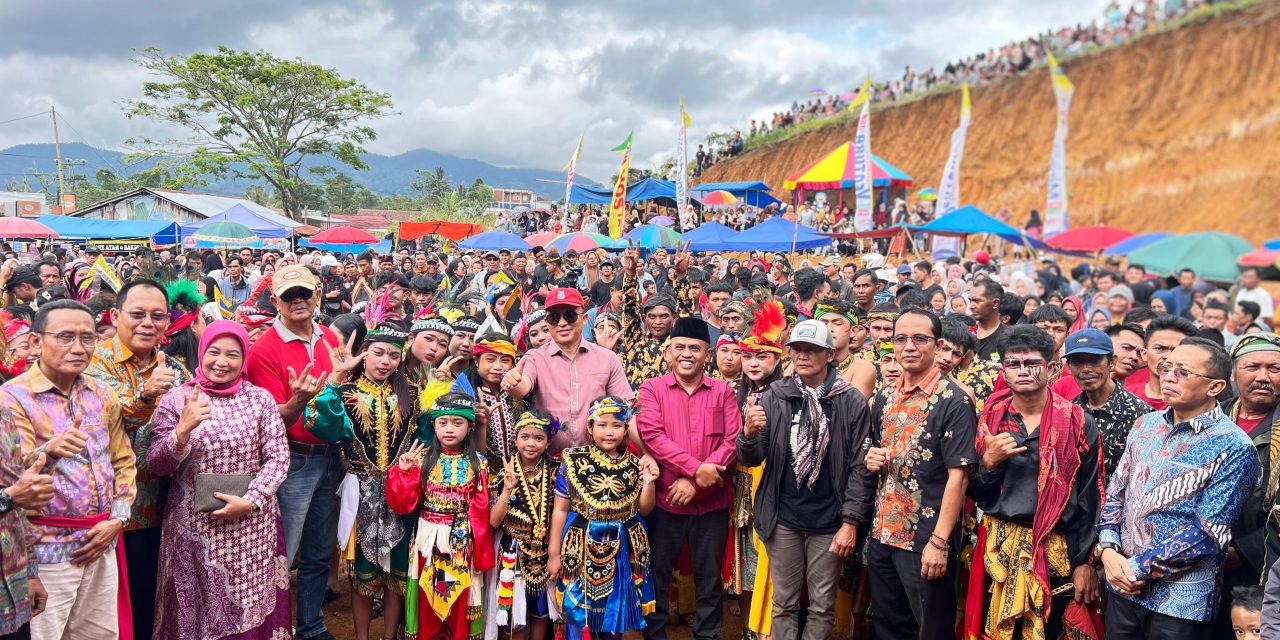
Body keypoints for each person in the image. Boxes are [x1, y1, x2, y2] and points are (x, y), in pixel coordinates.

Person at [1098, 338, 1258, 639]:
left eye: (1183, 371)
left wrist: (1135, 568)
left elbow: (1209, 532)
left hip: (1180, 601)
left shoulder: (1235, 445)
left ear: (1215, 387)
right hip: (1121, 585)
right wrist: (1108, 549)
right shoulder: (1145, 424)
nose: (1168, 376)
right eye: (1167, 367)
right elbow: (1116, 491)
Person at [148, 320, 292, 640]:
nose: (222, 362)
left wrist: (251, 501)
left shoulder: (260, 400)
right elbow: (157, 464)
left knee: (248, 604)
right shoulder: (177, 399)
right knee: (193, 608)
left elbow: (278, 458)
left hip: (251, 527)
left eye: (233, 354)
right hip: (194, 531)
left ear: (244, 360)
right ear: (201, 353)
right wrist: (182, 431)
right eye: (214, 352)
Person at [2, 300, 137, 640]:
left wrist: (118, 519)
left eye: (88, 338)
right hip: (45, 551)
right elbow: (15, 481)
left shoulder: (100, 393)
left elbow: (123, 459)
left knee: (99, 634)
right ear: (35, 342)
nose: (79, 348)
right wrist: (49, 453)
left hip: (100, 540)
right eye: (65, 337)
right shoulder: (12, 399)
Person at [965, 325, 1101, 640]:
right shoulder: (992, 418)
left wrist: (1085, 563)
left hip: (1057, 552)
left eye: (1032, 364)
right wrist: (989, 462)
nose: (1023, 371)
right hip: (998, 550)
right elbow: (974, 493)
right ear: (1004, 370)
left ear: (1051, 368)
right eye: (1014, 364)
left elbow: (1091, 495)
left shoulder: (1078, 422)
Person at [738, 319, 871, 640]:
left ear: (829, 354)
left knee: (822, 605)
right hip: (783, 517)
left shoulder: (850, 400)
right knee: (783, 601)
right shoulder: (776, 396)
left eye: (812, 350)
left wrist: (851, 522)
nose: (803, 356)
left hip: (830, 521)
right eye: (797, 349)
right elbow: (752, 457)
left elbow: (860, 467)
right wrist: (749, 434)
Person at [861, 309, 978, 640]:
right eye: (901, 339)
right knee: (890, 627)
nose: (909, 346)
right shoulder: (884, 396)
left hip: (925, 539)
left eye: (920, 339)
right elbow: (875, 455)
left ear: (938, 346)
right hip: (883, 532)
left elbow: (960, 476)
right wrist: (871, 457)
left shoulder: (953, 400)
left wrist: (939, 543)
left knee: (933, 629)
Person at [84, 279, 189, 638]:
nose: (148, 323)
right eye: (138, 314)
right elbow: (103, 423)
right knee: (109, 612)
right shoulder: (93, 363)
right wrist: (145, 397)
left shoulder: (175, 368)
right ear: (115, 316)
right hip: (115, 514)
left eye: (157, 316)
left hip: (167, 508)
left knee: (153, 604)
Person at [245, 264, 342, 640]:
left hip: (331, 457)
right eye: (289, 295)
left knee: (319, 550)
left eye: (303, 293)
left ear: (317, 295)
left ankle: (311, 625)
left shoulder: (330, 339)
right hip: (293, 460)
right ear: (276, 302)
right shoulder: (263, 350)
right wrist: (297, 402)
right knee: (282, 551)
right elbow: (270, 422)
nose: (298, 300)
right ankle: (273, 627)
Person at [637, 318, 741, 640]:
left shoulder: (723, 391)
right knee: (657, 577)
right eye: (679, 347)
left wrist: (695, 484)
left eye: (694, 348)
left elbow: (733, 441)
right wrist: (697, 470)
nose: (686, 354)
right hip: (666, 504)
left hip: (710, 505)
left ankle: (707, 636)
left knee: (709, 582)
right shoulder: (651, 389)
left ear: (706, 354)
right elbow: (651, 436)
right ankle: (655, 636)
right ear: (668, 352)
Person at [547, 395, 658, 640]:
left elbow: (645, 509)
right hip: (580, 546)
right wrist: (554, 554)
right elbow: (560, 509)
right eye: (602, 425)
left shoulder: (634, 464)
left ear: (626, 428)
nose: (609, 432)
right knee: (578, 616)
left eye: (617, 425)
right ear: (590, 427)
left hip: (621, 550)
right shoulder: (573, 461)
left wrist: (648, 483)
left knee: (613, 615)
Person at [388, 392, 494, 640]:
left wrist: (477, 548)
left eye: (457, 423)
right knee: (428, 594)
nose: (449, 429)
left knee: (458, 599)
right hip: (428, 540)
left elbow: (481, 510)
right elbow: (402, 505)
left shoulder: (479, 464)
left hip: (461, 543)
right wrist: (403, 474)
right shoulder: (421, 460)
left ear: (469, 427)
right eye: (443, 422)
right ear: (433, 424)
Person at [504, 288, 633, 454]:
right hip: (550, 463)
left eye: (570, 316)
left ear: (585, 318)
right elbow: (523, 386)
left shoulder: (607, 359)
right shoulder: (535, 358)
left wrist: (646, 454)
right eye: (554, 318)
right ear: (547, 322)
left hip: (597, 461)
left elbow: (626, 408)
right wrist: (514, 384)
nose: (562, 323)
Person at [731, 302, 785, 639]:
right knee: (745, 558)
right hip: (740, 484)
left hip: (771, 484)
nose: (753, 363)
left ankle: (769, 627)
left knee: (770, 555)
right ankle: (752, 624)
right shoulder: (738, 394)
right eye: (748, 357)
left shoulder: (785, 394)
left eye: (762, 356)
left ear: (778, 360)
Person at [486, 410, 559, 640]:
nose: (531, 443)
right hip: (513, 551)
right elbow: (493, 521)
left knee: (541, 612)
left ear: (548, 442)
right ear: (515, 439)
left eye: (539, 438)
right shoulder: (502, 475)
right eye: (525, 436)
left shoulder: (558, 472)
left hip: (546, 550)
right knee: (515, 616)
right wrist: (507, 490)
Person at [1224, 333, 1280, 591]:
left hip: (1263, 565)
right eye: (1252, 367)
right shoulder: (1214, 416)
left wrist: (1244, 552)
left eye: (1274, 369)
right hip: (1201, 562)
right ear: (1233, 374)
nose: (1263, 377)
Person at [0, 388, 54, 640]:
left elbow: (18, 504)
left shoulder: (3, 416)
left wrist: (30, 572)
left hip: (14, 592)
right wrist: (7, 498)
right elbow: (13, 496)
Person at [1064, 328, 1152, 482]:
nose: (1085, 369)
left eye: (1094, 360)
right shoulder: (1068, 412)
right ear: (1069, 367)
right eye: (1077, 362)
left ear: (1111, 362)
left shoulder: (1140, 415)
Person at [620, 242, 695, 387]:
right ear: (644, 318)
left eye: (664, 316)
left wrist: (681, 275)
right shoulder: (635, 340)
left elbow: (686, 311)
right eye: (652, 316)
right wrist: (630, 274)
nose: (657, 322)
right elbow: (629, 307)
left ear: (674, 318)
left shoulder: (679, 344)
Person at [1125, 314, 1197, 410]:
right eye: (1160, 348)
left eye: (1176, 350)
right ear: (1144, 354)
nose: (1167, 357)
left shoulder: (1196, 401)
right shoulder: (1126, 397)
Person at [971, 280, 1007, 362]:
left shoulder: (1007, 338)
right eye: (971, 300)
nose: (971, 306)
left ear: (995, 303)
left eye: (977, 301)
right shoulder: (965, 331)